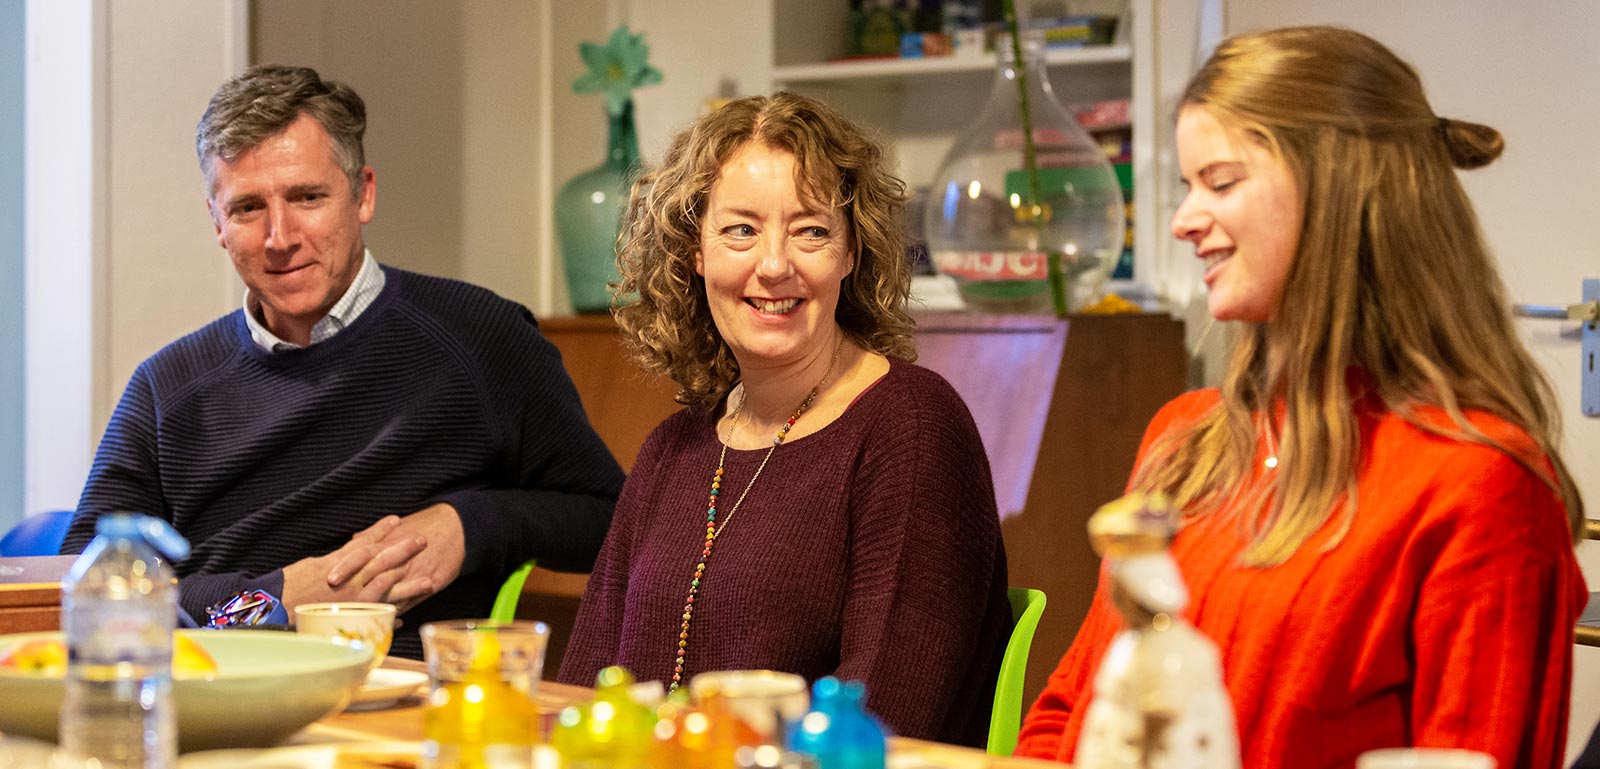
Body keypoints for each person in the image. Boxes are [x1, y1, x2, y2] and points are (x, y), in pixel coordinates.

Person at [1015, 26, 1587, 769]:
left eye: (1221, 182)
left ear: (1340, 189)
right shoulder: (1185, 439)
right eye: (1187, 187)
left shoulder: (1477, 486)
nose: (1184, 221)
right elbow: (1071, 706)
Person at [63, 65, 625, 659]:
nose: (280, 237)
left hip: (406, 691)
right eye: (248, 207)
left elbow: (612, 521)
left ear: (364, 195)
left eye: (307, 197)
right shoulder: (165, 388)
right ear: (217, 223)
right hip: (218, 689)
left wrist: (472, 524)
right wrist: (274, 599)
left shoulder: (483, 337)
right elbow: (78, 591)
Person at [557, 91, 1011, 747]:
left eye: (811, 231)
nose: (774, 265)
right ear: (695, 251)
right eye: (741, 230)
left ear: (852, 251)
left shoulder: (912, 428)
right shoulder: (672, 450)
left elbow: (881, 724)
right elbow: (582, 697)